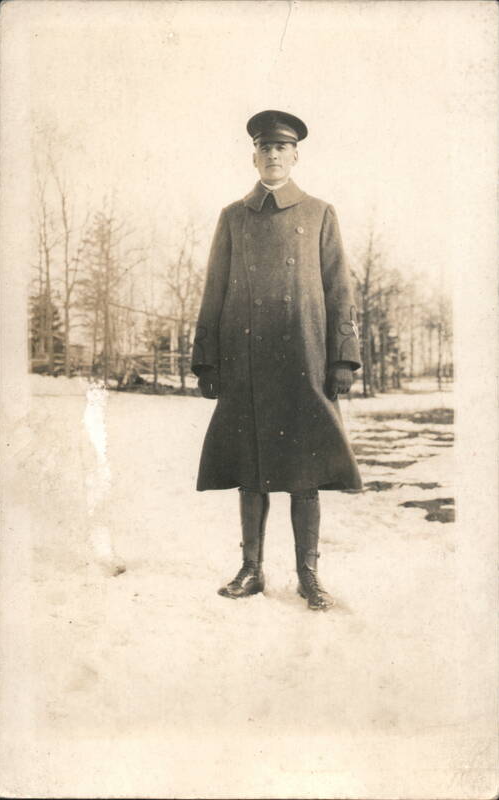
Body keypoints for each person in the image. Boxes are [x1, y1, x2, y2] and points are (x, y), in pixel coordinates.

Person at [191, 109, 362, 611]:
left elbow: (340, 291)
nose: (272, 156)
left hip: (304, 355)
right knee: (252, 465)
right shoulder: (233, 217)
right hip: (246, 357)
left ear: (295, 156)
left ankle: (309, 576)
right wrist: (207, 360)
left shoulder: (320, 213)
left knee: (305, 469)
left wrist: (342, 360)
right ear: (254, 157)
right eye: (264, 149)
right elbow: (214, 290)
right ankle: (252, 569)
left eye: (281, 149)